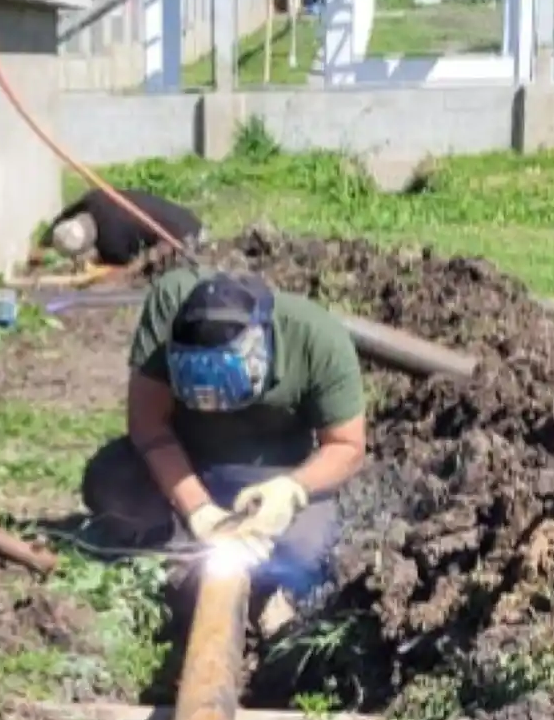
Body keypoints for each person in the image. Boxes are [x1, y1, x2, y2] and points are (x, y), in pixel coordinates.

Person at [80, 266, 368, 638]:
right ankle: (187, 572)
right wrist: (198, 508)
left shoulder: (316, 337)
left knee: (311, 549)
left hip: (275, 475)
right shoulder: (169, 307)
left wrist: (290, 491)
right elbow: (148, 424)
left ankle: (267, 592)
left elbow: (347, 446)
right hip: (186, 461)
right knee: (110, 483)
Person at [38, 187, 203, 267]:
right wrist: (47, 239)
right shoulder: (94, 198)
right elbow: (66, 214)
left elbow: (122, 263)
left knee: (153, 258)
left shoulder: (111, 242)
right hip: (183, 215)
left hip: (185, 236)